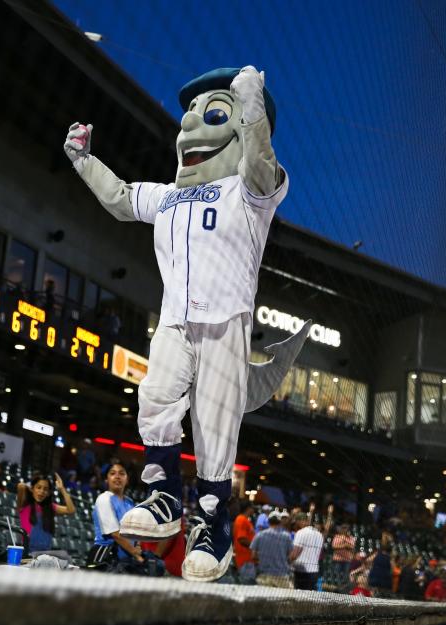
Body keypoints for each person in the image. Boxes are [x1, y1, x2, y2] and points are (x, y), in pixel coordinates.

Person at [66, 66, 299, 583]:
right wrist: (84, 162)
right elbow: (123, 197)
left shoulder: (246, 192)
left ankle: (213, 525)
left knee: (215, 428)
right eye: (188, 116)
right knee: (154, 397)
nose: (191, 127)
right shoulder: (169, 195)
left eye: (212, 114)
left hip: (226, 321)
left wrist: (254, 113)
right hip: (175, 319)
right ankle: (164, 495)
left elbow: (262, 166)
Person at [89, 463, 144, 568]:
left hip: (126, 559)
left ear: (127, 480)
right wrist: (136, 554)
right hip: (105, 558)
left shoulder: (130, 502)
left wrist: (137, 546)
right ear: (107, 480)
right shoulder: (103, 499)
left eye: (122, 473)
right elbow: (115, 534)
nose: (117, 477)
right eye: (113, 473)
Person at [17, 473, 76, 555]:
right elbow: (21, 486)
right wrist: (31, 488)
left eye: (45, 489)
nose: (41, 492)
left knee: (64, 556)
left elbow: (71, 510)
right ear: (32, 488)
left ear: (48, 493)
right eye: (38, 487)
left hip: (45, 553)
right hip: (27, 553)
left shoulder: (50, 507)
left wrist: (62, 489)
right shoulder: (25, 504)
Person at [250, 511, 294, 589]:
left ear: (268, 521)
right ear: (280, 522)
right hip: (281, 576)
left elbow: (253, 556)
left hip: (264, 575)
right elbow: (291, 557)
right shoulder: (287, 536)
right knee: (284, 600)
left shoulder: (260, 535)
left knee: (265, 600)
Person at [289, 512, 324, 590]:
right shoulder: (319, 534)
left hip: (301, 572)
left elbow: (295, 554)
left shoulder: (301, 533)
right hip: (314, 571)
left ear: (300, 521)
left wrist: (287, 561)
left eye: (296, 522)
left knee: (299, 598)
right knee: (309, 598)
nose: (296, 525)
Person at [233, 500, 256, 583]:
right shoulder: (241, 519)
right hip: (244, 561)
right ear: (248, 508)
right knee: (248, 586)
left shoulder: (246, 520)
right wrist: (255, 548)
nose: (253, 510)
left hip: (248, 560)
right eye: (252, 507)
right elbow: (241, 539)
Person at [331, 524, 356, 589]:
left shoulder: (351, 537)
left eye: (346, 528)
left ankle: (344, 589)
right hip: (337, 559)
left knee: (346, 575)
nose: (345, 529)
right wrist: (345, 545)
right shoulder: (337, 537)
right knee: (337, 575)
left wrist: (344, 545)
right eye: (343, 528)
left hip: (347, 560)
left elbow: (352, 547)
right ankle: (337, 588)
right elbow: (334, 546)